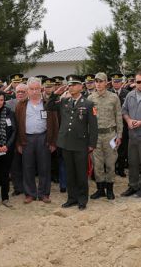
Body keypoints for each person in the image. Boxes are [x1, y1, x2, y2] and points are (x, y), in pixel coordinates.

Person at [47, 75, 98, 210]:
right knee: (70, 173)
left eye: (74, 84)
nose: (71, 87)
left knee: (81, 174)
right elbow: (49, 106)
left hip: (80, 143)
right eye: (69, 85)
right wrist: (55, 93)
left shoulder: (88, 104)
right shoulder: (64, 102)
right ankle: (72, 198)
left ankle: (82, 200)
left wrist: (92, 144)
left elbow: (93, 126)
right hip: (66, 143)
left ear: (81, 87)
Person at [15, 77, 58, 204]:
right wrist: (18, 143)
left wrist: (53, 142)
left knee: (44, 166)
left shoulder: (47, 103)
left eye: (37, 89)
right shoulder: (21, 105)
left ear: (41, 89)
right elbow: (17, 126)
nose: (34, 91)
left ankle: (44, 194)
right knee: (27, 167)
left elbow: (55, 123)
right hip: (26, 139)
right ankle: (30, 194)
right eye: (31, 89)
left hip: (43, 137)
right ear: (27, 90)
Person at [87, 72, 122, 200]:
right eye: (96, 81)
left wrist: (120, 135)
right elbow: (88, 120)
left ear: (106, 83)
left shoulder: (113, 98)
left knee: (110, 163)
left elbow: (118, 117)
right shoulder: (90, 98)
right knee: (98, 164)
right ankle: (100, 189)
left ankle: (110, 189)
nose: (98, 84)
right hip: (96, 136)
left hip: (110, 135)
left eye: (101, 81)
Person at [5, 83, 28, 196]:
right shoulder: (8, 104)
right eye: (18, 91)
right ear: (14, 92)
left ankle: (28, 187)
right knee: (15, 165)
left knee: (27, 165)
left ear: (27, 92)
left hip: (27, 139)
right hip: (12, 140)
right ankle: (18, 188)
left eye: (23, 91)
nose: (20, 94)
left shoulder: (32, 103)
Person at [111, 73, 130, 178]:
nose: (116, 83)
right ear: (111, 82)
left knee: (122, 149)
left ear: (121, 83)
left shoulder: (127, 94)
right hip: (111, 126)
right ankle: (112, 168)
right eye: (114, 81)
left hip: (124, 125)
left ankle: (121, 169)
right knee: (112, 148)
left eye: (118, 81)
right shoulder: (108, 93)